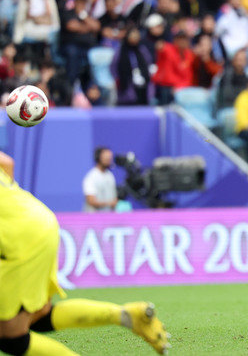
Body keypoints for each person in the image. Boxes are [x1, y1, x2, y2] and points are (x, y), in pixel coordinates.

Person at [0, 151, 170, 356]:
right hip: (37, 219)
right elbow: (7, 163)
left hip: (16, 237)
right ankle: (126, 316)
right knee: (39, 315)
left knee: (10, 337)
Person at [82, 147, 118, 212]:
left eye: (110, 158)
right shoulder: (91, 177)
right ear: (99, 158)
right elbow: (91, 201)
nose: (109, 160)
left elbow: (114, 198)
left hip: (108, 217)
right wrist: (109, 203)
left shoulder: (110, 175)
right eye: (106, 158)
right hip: (93, 218)